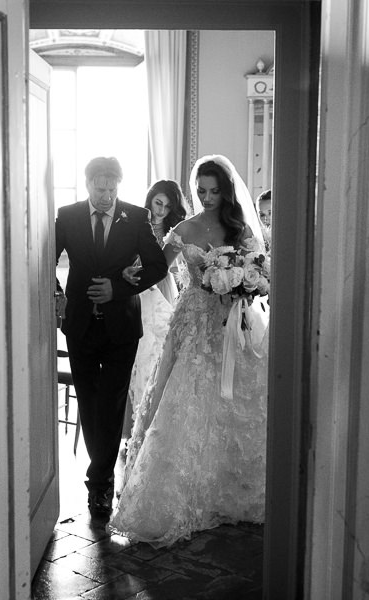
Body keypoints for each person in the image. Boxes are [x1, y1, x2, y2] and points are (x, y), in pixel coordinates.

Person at [110, 154, 270, 546]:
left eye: (214, 191)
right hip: (195, 321)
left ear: (227, 191)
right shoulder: (185, 228)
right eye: (201, 191)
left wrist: (245, 286)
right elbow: (158, 268)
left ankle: (233, 489)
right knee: (187, 394)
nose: (207, 197)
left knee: (235, 399)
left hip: (235, 321)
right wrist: (127, 275)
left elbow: (262, 270)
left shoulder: (242, 229)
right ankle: (181, 493)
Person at [54, 156, 168, 522]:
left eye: (112, 188)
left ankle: (98, 481)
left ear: (119, 185)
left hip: (122, 327)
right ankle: (102, 475)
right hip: (81, 325)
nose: (106, 196)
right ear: (87, 184)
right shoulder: (67, 216)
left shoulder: (135, 217)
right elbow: (41, 258)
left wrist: (116, 289)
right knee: (89, 401)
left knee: (113, 401)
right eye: (99, 188)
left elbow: (157, 266)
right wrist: (57, 293)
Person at [122, 180, 187, 433]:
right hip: (137, 287)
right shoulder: (134, 223)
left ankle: (156, 423)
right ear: (150, 199)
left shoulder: (175, 231)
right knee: (138, 351)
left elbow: (170, 265)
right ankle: (131, 425)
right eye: (158, 203)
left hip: (162, 287)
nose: (161, 210)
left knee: (159, 347)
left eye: (167, 206)